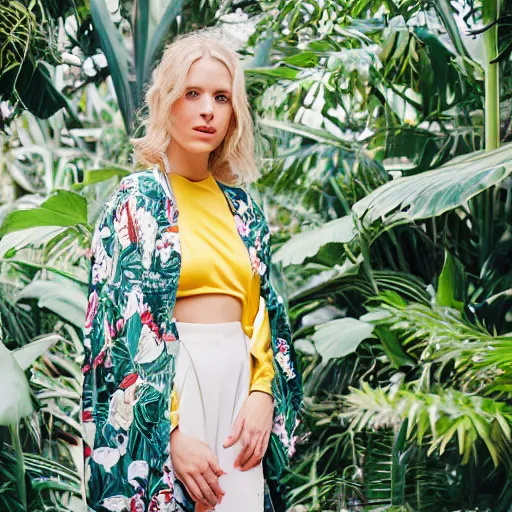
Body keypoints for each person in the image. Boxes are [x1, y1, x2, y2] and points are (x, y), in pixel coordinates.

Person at [81, 30, 303, 512]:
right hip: (169, 390)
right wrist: (171, 432)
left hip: (241, 397)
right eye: (193, 93)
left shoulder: (244, 209)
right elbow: (118, 328)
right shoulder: (137, 201)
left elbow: (264, 312)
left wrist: (263, 393)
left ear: (233, 114)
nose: (208, 110)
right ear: (167, 104)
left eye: (221, 98)